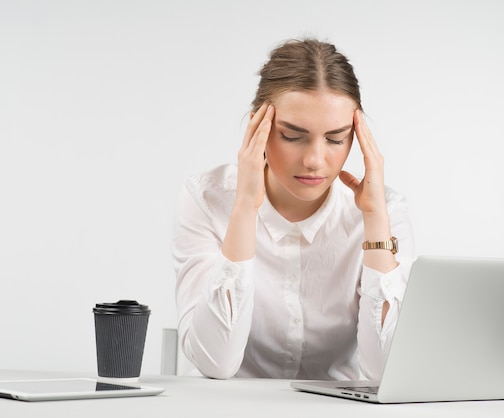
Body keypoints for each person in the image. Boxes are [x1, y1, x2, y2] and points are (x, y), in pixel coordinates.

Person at [171, 38, 415, 381]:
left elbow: (384, 371)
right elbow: (216, 363)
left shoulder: (384, 211)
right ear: (259, 127)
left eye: (335, 139)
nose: (315, 161)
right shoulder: (206, 199)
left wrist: (374, 221)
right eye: (292, 136)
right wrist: (244, 207)